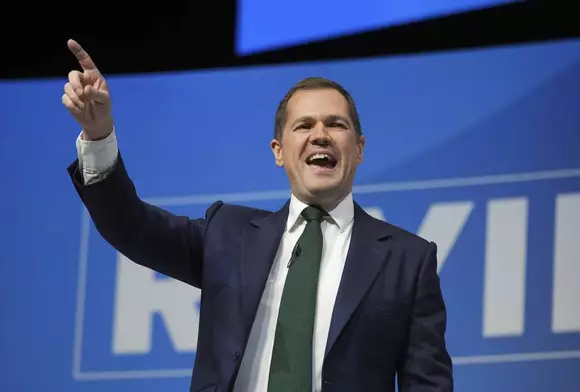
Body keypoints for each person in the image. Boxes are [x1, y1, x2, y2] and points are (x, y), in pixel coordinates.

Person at [63, 39, 454, 392]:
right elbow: (130, 226)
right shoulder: (227, 234)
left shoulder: (408, 259)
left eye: (337, 124)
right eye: (304, 126)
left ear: (359, 148)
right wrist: (98, 136)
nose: (321, 135)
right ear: (278, 151)